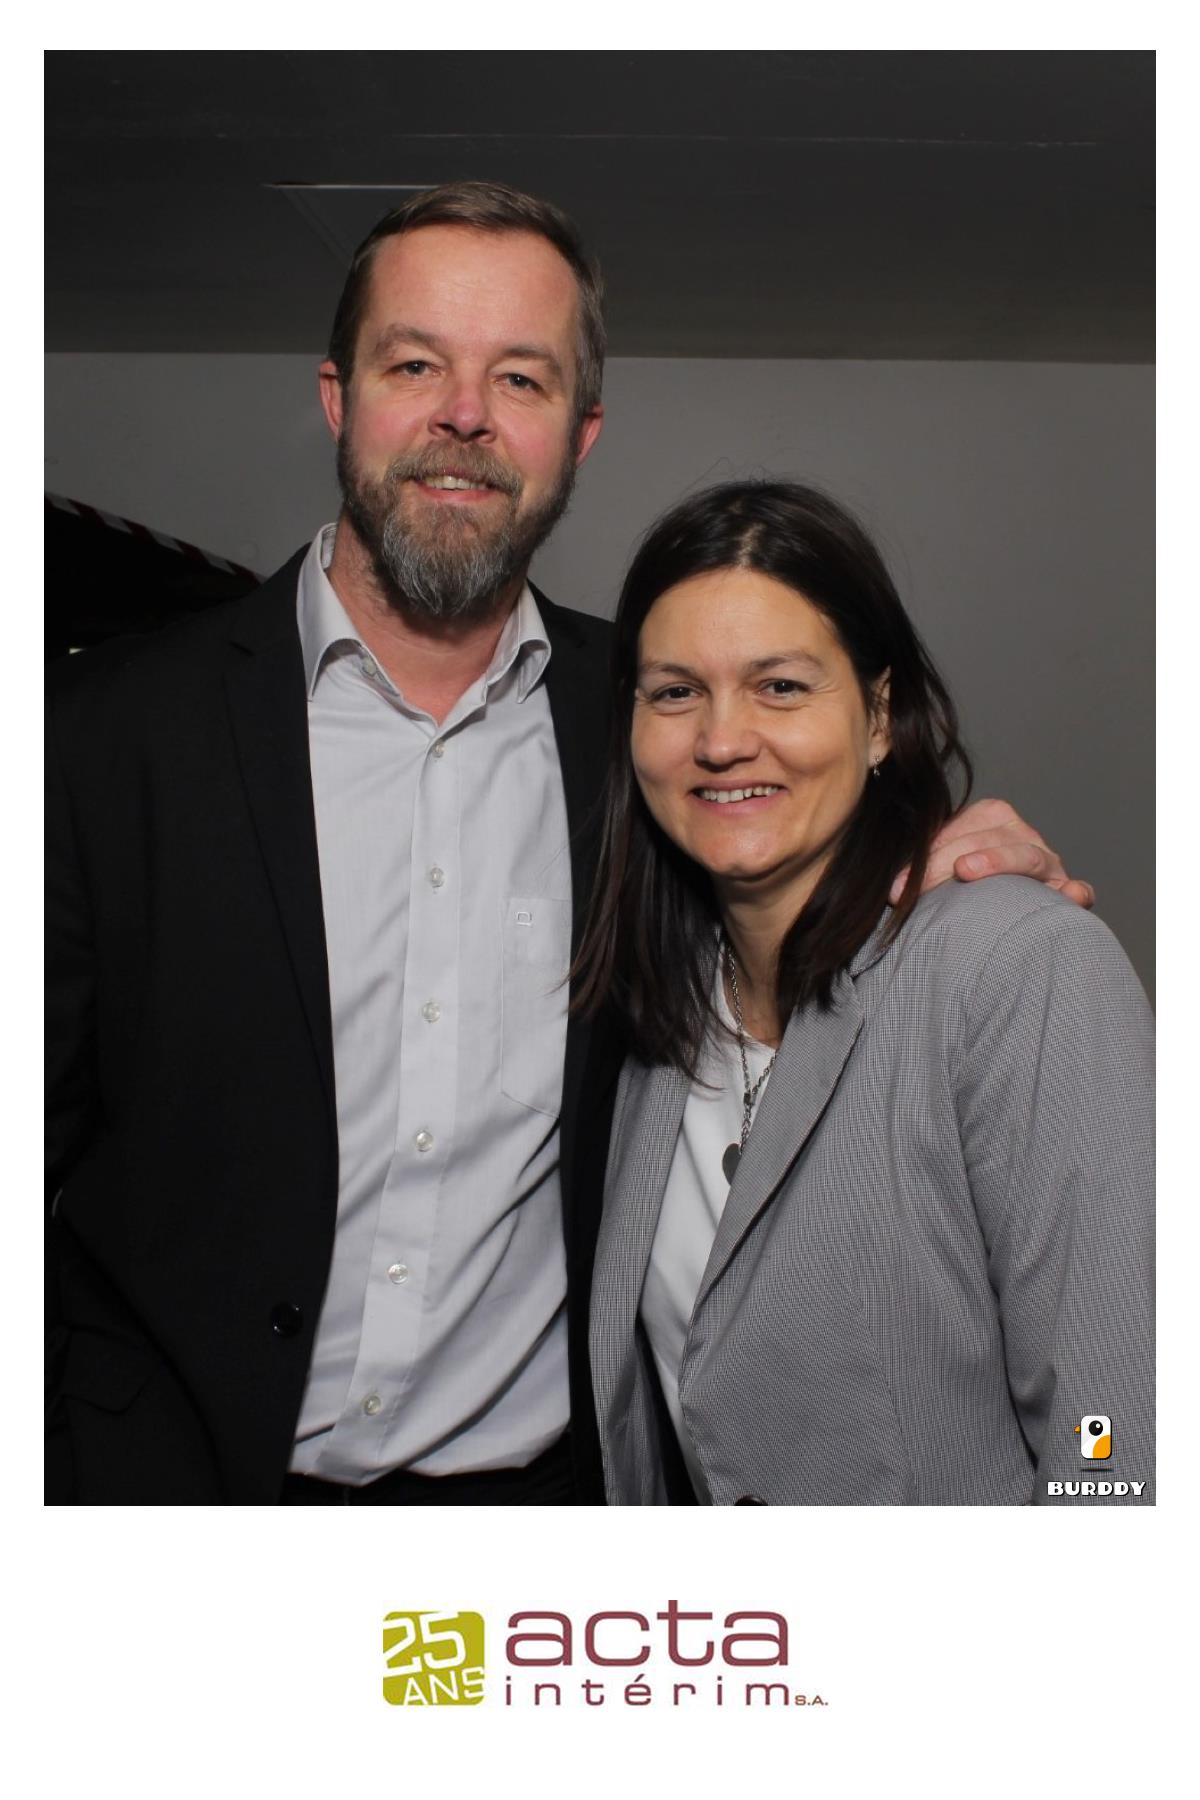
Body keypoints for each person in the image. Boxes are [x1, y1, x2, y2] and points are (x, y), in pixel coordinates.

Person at [46, 182, 1092, 1506]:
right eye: (414, 364)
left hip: (538, 1508)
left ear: (580, 431)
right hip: (164, 1496)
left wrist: (938, 871)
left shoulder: (652, 727)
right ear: (338, 397)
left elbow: (796, 878)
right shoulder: (99, 731)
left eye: (521, 378)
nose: (464, 415)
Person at [579, 480, 1153, 1506]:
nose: (721, 739)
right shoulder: (657, 1015)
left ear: (881, 716)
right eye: (675, 692)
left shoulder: (1017, 969)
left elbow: (1116, 1433)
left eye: (780, 686)